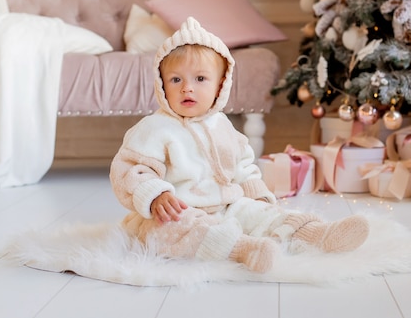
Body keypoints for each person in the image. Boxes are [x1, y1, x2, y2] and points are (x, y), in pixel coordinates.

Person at [110, 17, 369, 273]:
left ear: (220, 85)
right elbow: (131, 170)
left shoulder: (221, 124)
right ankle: (243, 249)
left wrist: (258, 198)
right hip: (180, 211)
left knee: (260, 214)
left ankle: (317, 234)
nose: (187, 88)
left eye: (200, 79)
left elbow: (243, 166)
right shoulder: (154, 128)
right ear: (162, 84)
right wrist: (156, 195)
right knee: (168, 231)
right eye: (176, 80)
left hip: (227, 205)